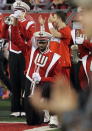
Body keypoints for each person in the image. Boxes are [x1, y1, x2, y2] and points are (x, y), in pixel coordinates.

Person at [1, 0, 35, 117]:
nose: (17, 12)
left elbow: (28, 37)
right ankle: (15, 108)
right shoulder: (11, 20)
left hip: (24, 54)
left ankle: (26, 109)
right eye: (16, 10)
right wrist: (6, 24)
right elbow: (3, 35)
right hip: (13, 53)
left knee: (24, 82)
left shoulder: (30, 22)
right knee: (14, 81)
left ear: (25, 12)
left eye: (20, 11)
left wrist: (18, 23)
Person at [39, 11, 71, 79]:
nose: (53, 20)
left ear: (59, 18)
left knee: (64, 86)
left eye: (54, 17)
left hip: (62, 64)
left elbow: (55, 34)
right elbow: (44, 37)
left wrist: (49, 23)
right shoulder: (55, 30)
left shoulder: (66, 29)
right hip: (53, 63)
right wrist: (42, 25)